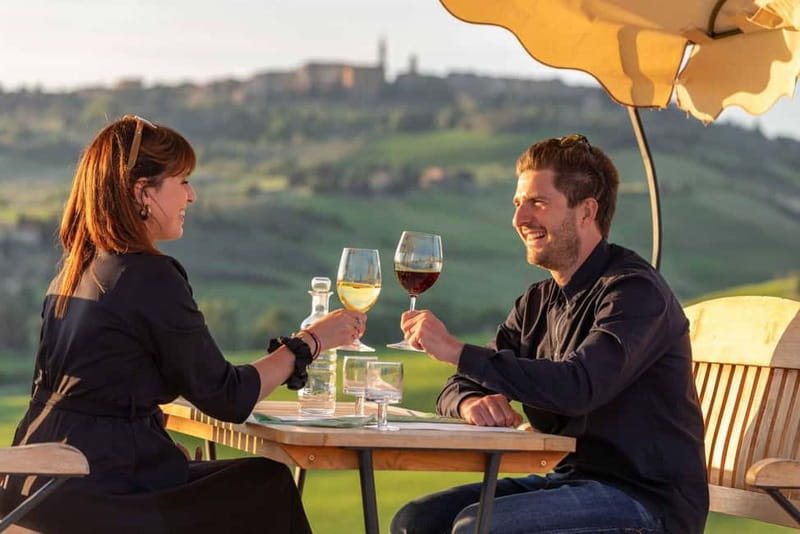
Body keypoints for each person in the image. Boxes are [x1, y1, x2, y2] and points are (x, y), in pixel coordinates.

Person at [0, 115, 366, 533]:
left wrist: (151, 442)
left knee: (241, 483)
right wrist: (310, 342)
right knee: (267, 485)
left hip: (36, 489)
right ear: (143, 193)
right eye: (182, 181)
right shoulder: (148, 276)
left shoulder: (78, 270)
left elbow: (100, 391)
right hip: (97, 491)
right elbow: (226, 396)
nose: (191, 196)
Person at [392, 135, 708, 534]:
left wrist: (455, 350)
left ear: (586, 211)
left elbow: (578, 387)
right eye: (517, 204)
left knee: (477, 527)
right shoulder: (537, 302)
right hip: (568, 483)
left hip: (645, 501)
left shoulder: (634, 293)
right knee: (416, 521)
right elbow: (458, 385)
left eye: (537, 203)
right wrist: (472, 402)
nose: (520, 218)